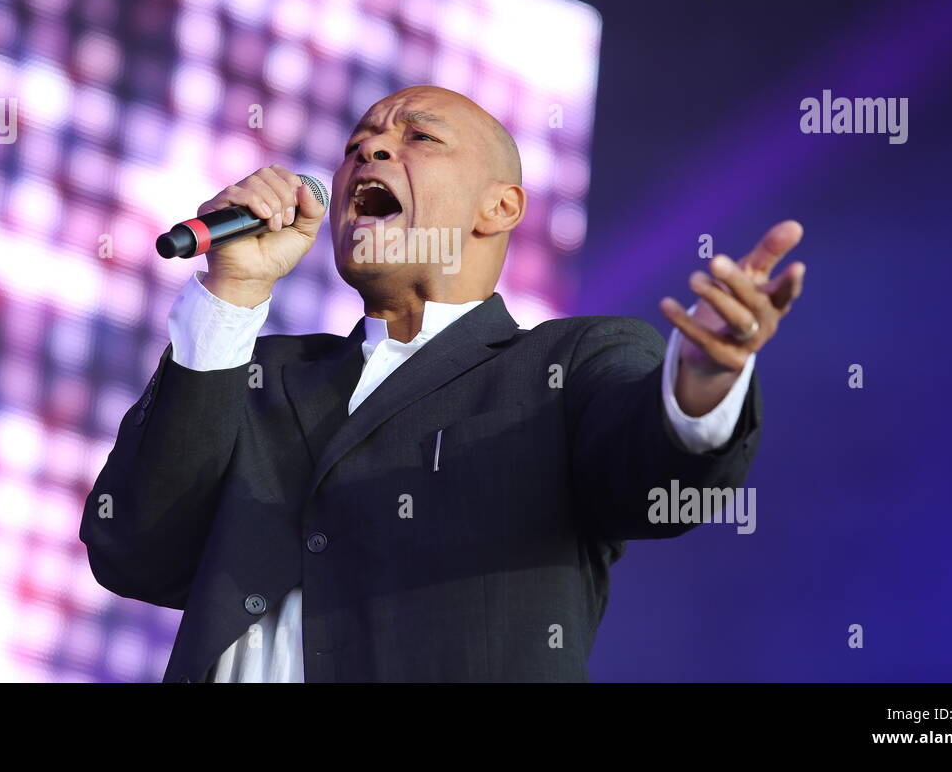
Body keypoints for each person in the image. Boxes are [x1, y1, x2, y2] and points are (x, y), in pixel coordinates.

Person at [80, 85, 805, 682]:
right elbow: (135, 551)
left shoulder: (571, 361)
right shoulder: (260, 370)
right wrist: (231, 289)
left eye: (418, 138)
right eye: (357, 145)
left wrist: (706, 375)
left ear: (501, 207)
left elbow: (651, 473)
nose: (370, 148)